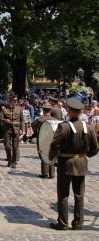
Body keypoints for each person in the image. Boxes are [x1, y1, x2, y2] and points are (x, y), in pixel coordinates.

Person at [49, 98, 98, 230]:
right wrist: (86, 156)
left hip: (65, 164)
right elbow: (95, 148)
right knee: (79, 195)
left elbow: (54, 145)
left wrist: (51, 158)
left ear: (69, 111)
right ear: (81, 112)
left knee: (63, 194)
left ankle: (63, 223)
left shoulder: (63, 127)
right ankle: (78, 223)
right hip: (81, 163)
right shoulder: (88, 127)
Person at [0, 95, 25, 169]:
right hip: (7, 129)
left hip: (16, 129)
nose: (16, 102)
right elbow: (0, 118)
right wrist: (5, 120)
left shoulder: (19, 108)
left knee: (15, 146)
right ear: (10, 101)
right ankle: (9, 160)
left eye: (16, 100)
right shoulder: (5, 108)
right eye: (14, 100)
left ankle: (14, 162)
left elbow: (22, 120)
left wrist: (23, 129)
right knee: (7, 146)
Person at [32, 104, 56, 178]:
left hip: (43, 140)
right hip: (52, 140)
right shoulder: (54, 120)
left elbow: (34, 127)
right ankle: (52, 173)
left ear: (43, 111)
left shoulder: (40, 120)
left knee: (43, 155)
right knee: (52, 155)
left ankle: (45, 173)